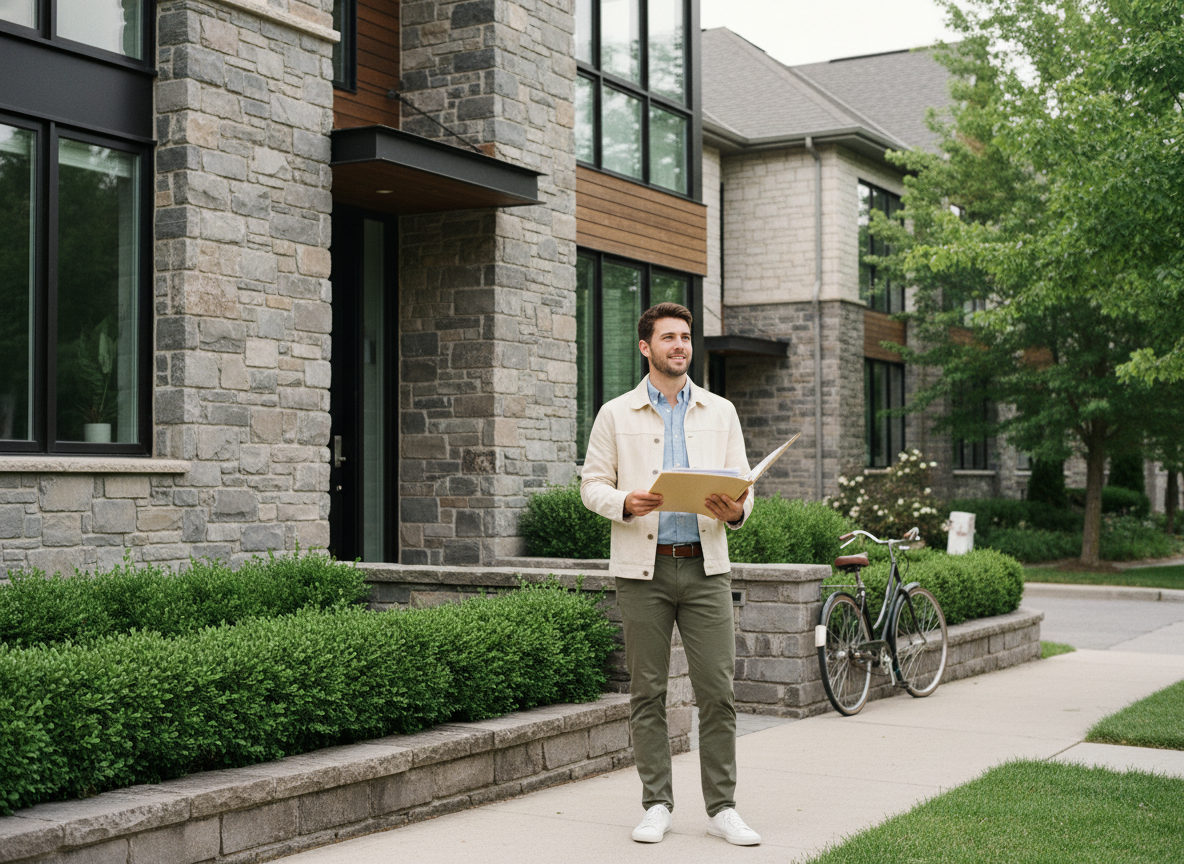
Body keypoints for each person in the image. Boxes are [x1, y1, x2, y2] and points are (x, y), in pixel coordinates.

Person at [580, 302, 760, 846]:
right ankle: (656, 803)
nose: (679, 346)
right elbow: (590, 486)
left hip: (707, 570)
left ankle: (722, 807)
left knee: (718, 693)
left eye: (685, 338)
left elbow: (743, 487)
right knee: (647, 693)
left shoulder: (721, 411)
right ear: (646, 347)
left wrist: (738, 510)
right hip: (643, 573)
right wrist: (625, 503)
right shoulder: (616, 414)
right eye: (668, 338)